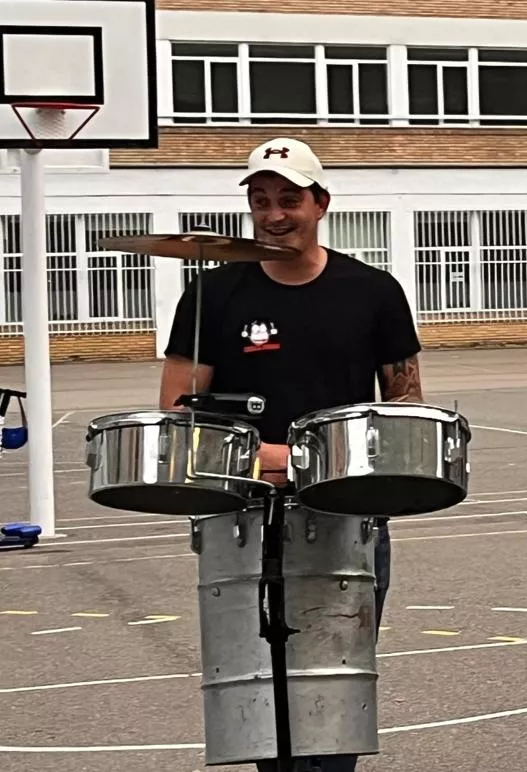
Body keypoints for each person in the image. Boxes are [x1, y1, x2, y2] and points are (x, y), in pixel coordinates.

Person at [159, 137, 423, 772]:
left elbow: (405, 407)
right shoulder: (212, 296)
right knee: (259, 708)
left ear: (321, 203)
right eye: (261, 201)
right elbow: (175, 411)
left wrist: (329, 463)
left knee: (333, 698)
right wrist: (266, 459)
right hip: (244, 521)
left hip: (345, 518)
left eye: (289, 200)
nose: (274, 214)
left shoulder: (374, 291)